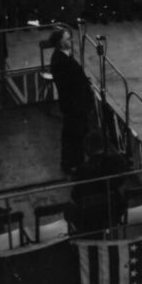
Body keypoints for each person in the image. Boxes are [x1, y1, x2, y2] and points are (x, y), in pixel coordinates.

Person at [48, 27, 92, 174]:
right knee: (73, 137)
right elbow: (68, 85)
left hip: (76, 104)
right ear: (60, 42)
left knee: (76, 136)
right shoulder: (60, 61)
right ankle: (73, 166)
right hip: (73, 106)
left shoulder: (65, 57)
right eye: (68, 39)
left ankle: (75, 163)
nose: (71, 41)